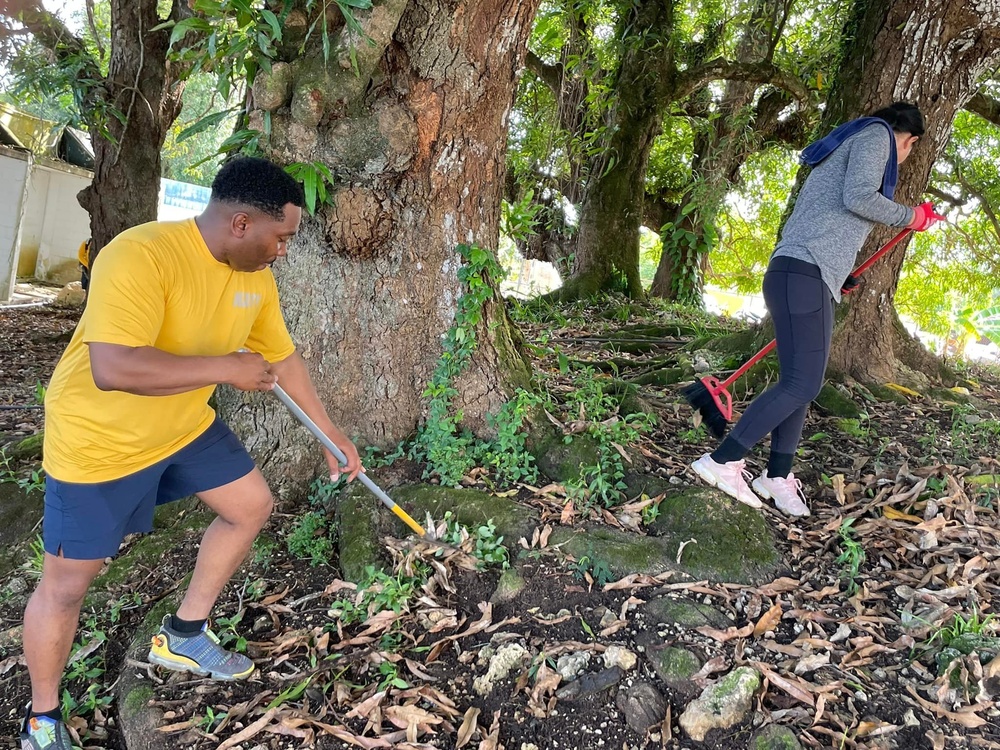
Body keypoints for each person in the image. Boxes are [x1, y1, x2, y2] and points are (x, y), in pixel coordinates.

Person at [19, 157, 362, 750]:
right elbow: (113, 366)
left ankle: (184, 634)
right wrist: (227, 368)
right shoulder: (141, 254)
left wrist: (330, 434)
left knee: (251, 505)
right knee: (68, 586)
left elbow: (281, 358)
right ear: (240, 223)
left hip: (181, 428)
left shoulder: (254, 277)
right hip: (100, 442)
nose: (283, 251)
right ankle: (43, 720)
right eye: (280, 239)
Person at [690, 102, 943, 517]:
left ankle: (776, 476)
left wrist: (840, 272)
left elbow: (829, 216)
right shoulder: (876, 136)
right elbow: (858, 196)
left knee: (802, 382)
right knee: (802, 384)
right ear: (910, 140)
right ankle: (722, 461)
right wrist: (910, 216)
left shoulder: (850, 143)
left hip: (810, 274)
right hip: (803, 272)